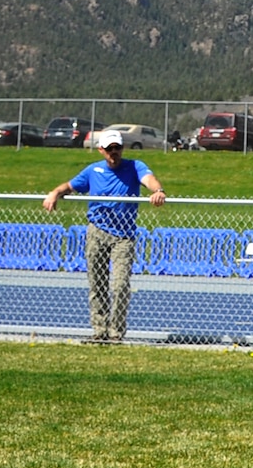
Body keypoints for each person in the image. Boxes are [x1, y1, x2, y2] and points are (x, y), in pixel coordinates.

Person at [43, 131, 167, 343]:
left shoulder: (135, 166)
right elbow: (70, 186)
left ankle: (116, 333)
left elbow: (150, 180)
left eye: (117, 148)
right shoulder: (93, 171)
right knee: (97, 283)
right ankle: (99, 331)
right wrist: (55, 193)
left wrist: (158, 191)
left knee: (119, 285)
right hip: (97, 232)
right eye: (109, 149)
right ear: (101, 150)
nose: (114, 153)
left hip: (124, 235)